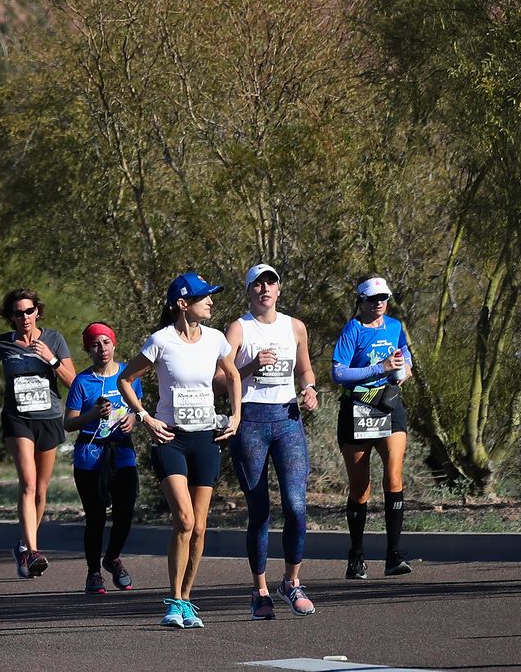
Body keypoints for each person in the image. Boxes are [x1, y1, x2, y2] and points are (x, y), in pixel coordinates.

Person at [120, 271, 243, 629]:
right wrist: (144, 417)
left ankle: (187, 600)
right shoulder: (160, 341)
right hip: (171, 439)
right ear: (182, 304)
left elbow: (232, 375)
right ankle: (173, 602)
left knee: (201, 527)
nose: (211, 302)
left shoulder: (216, 339)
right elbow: (124, 380)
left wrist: (235, 416)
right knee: (184, 520)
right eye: (204, 297)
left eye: (210, 296)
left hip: (207, 437)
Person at [228, 264, 320, 617]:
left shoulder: (294, 327)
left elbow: (305, 369)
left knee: (297, 507)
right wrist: (249, 366)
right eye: (258, 284)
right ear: (249, 290)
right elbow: (221, 381)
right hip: (250, 420)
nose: (265, 288)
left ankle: (291, 582)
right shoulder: (238, 329)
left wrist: (309, 389)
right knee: (260, 511)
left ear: (279, 290)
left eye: (271, 283)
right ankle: (260, 591)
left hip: (287, 420)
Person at [0, 287, 76, 578]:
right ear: (11, 317)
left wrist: (52, 359)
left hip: (48, 417)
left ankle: (23, 545)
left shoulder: (54, 339)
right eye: (18, 313)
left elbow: (74, 382)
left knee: (42, 489)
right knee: (28, 483)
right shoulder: (3, 343)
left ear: (38, 312)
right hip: (17, 418)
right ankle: (33, 551)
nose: (25, 318)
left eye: (29, 311)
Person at [332, 274, 416, 581]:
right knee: (360, 487)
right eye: (372, 299)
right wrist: (377, 368)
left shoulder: (394, 326)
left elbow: (404, 353)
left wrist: (403, 369)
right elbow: (338, 372)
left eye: (384, 299)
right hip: (357, 407)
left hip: (388, 404)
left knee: (394, 475)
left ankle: (394, 555)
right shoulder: (352, 330)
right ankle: (356, 555)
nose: (379, 304)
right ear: (361, 301)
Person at [63, 321, 141, 595]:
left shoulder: (128, 374)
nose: (102, 349)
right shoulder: (82, 382)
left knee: (126, 512)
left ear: (114, 344)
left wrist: (133, 418)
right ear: (88, 349)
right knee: (95, 517)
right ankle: (94, 573)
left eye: (106, 342)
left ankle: (113, 557)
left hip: (122, 452)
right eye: (95, 344)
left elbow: (136, 407)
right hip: (90, 454)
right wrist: (92, 415)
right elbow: (69, 423)